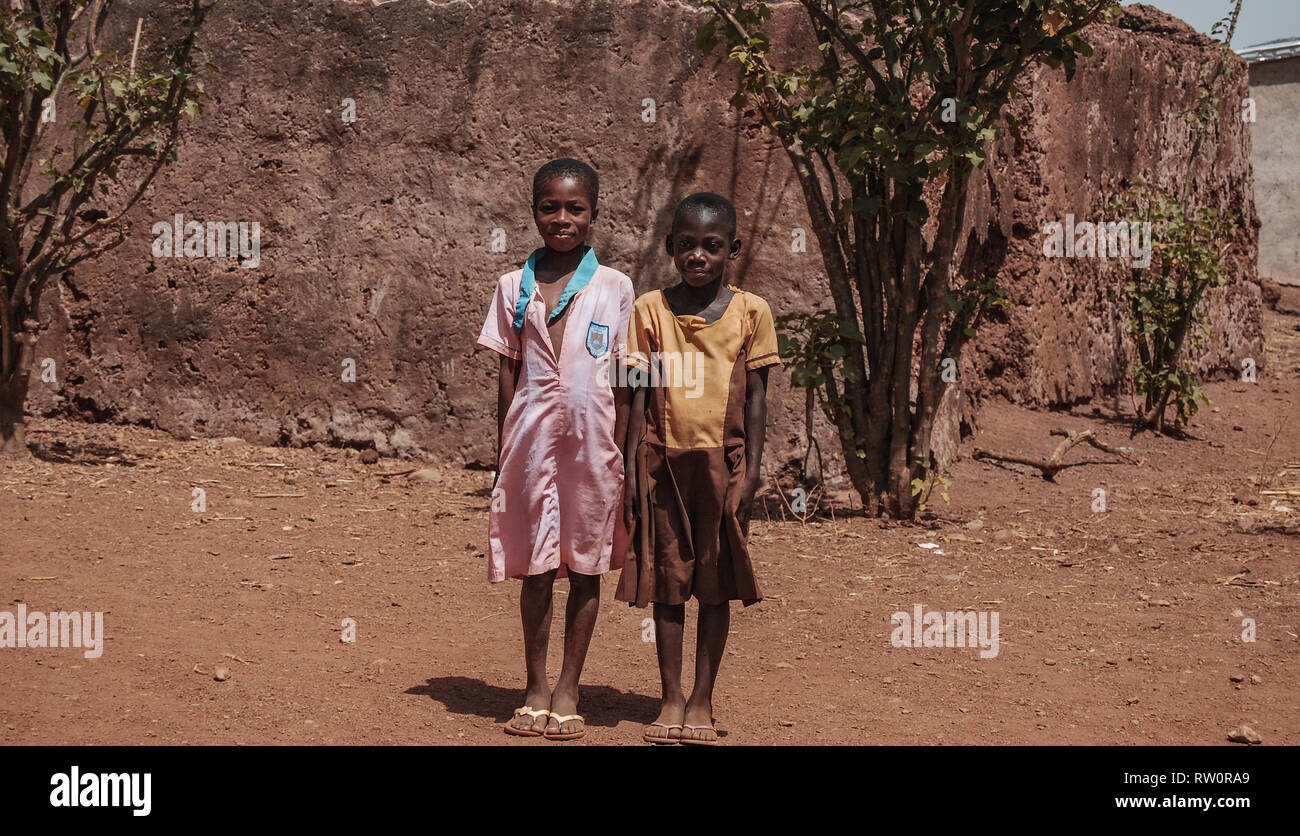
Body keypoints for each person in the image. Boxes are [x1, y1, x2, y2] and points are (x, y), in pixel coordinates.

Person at [476, 158, 634, 741]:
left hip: (593, 446)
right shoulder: (510, 287)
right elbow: (506, 373)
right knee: (536, 568)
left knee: (586, 566)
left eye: (575, 208)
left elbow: (625, 374)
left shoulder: (616, 287)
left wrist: (626, 448)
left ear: (593, 213)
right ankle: (535, 686)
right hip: (531, 441)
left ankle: (570, 686)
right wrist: (502, 450)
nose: (562, 218)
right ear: (534, 210)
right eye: (550, 207)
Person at [616, 192, 778, 745]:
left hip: (723, 467)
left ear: (731, 249)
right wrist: (631, 468)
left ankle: (703, 699)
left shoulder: (751, 312)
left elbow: (756, 398)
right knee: (667, 583)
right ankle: (669, 697)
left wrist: (751, 471)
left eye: (712, 246)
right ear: (670, 248)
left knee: (713, 585)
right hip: (661, 464)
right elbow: (637, 395)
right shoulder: (649, 310)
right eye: (686, 245)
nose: (698, 256)